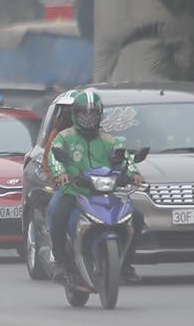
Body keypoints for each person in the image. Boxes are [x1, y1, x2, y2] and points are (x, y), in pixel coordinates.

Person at [42, 91, 136, 277]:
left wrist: (133, 174)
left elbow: (125, 158)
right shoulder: (64, 136)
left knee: (136, 218)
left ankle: (125, 265)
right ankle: (60, 262)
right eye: (84, 114)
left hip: (104, 193)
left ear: (99, 116)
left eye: (92, 114)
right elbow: (54, 157)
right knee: (58, 215)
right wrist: (60, 173)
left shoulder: (109, 139)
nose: (88, 119)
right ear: (75, 115)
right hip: (74, 191)